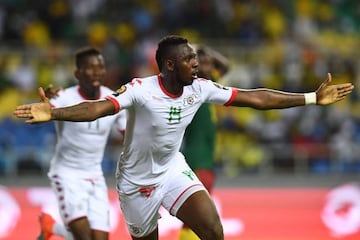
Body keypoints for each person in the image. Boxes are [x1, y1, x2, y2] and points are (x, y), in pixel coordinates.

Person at [14, 35, 354, 240]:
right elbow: (100, 108)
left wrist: (311, 97)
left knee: (212, 229)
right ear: (170, 66)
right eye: (190, 58)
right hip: (136, 183)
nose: (197, 62)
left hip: (173, 170)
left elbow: (256, 98)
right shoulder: (140, 90)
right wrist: (54, 113)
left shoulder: (201, 88)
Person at [36, 47, 127, 240]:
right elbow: (48, 109)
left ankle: (51, 227)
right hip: (67, 174)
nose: (96, 71)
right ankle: (54, 227)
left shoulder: (114, 99)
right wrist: (46, 105)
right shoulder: (64, 98)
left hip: (96, 176)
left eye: (100, 67)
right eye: (90, 67)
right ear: (78, 73)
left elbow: (128, 134)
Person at [179, 44, 229, 240]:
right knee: (198, 218)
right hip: (197, 159)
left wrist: (204, 50)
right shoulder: (192, 88)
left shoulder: (210, 87)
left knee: (198, 218)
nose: (210, 68)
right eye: (204, 64)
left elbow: (225, 67)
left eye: (210, 64)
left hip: (206, 159)